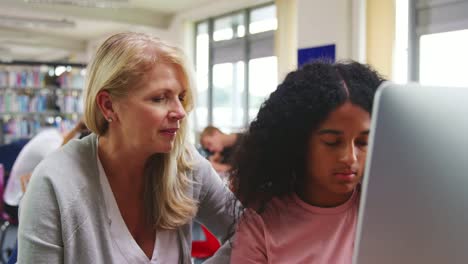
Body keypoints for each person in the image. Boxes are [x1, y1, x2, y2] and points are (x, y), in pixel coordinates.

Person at [17, 32, 234, 263]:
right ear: (108, 106)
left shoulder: (186, 165)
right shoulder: (54, 183)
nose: (180, 112)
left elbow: (254, 231)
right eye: (160, 98)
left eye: (181, 97)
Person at [229, 60, 385, 263]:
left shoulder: (383, 211)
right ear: (298, 142)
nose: (350, 158)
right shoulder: (262, 223)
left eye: (363, 142)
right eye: (332, 142)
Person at [3, 120, 88, 210]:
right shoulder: (50, 147)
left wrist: (76, 130)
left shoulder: (52, 134)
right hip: (16, 202)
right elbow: (58, 161)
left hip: (24, 196)